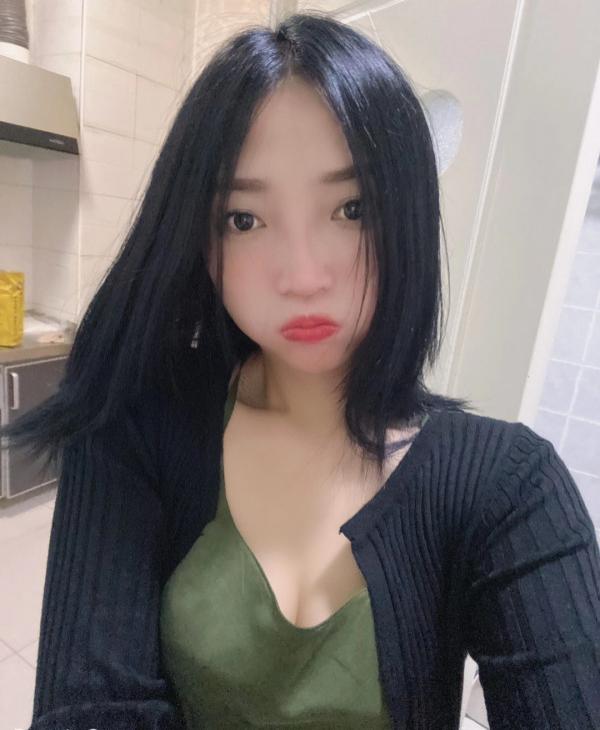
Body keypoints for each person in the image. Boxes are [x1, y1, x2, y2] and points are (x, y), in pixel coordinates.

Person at [2, 11, 599, 730]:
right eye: (244, 219)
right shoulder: (134, 418)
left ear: (406, 215)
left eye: (351, 208)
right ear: (200, 239)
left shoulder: (510, 487)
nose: (303, 276)